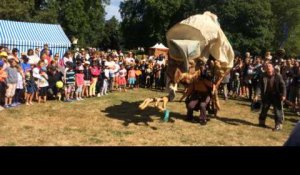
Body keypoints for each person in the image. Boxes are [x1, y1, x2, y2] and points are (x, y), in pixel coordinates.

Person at [254, 63, 286, 131]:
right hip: (267, 95)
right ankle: (261, 123)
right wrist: (256, 95)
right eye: (267, 67)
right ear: (265, 68)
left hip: (276, 96)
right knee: (264, 109)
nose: (268, 68)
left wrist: (283, 95)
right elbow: (259, 86)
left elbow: (283, 86)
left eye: (269, 66)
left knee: (277, 111)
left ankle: (278, 125)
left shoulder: (278, 76)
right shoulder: (263, 76)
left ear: (273, 68)